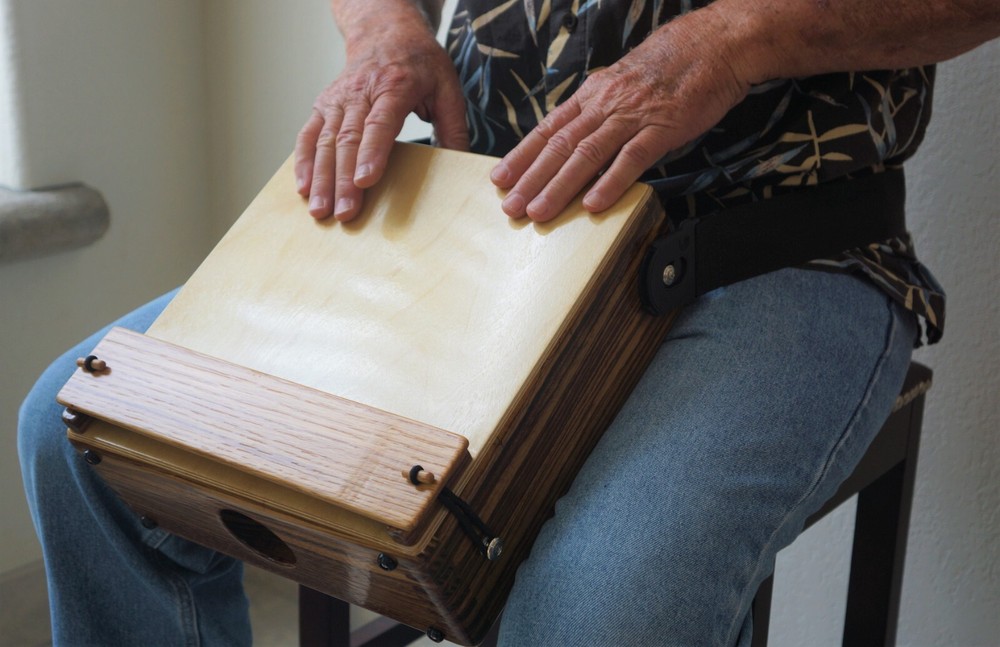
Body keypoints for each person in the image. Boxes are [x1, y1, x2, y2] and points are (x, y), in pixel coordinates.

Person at [18, 1, 999, 645]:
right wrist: (382, 33)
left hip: (777, 242)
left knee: (597, 611)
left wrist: (728, 40)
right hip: (492, 224)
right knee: (77, 431)